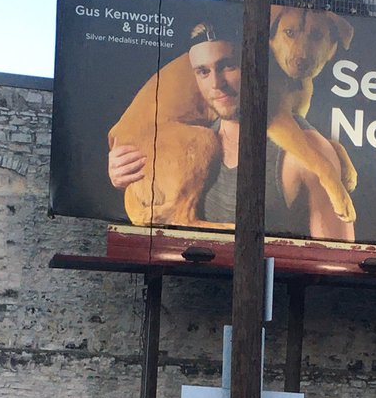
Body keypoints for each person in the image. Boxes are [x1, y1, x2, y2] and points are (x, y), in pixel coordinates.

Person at [107, 20, 355, 240]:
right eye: (203, 72)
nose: (216, 84)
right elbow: (120, 137)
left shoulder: (306, 146)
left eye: (228, 66)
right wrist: (126, 176)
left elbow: (338, 259)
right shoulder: (204, 138)